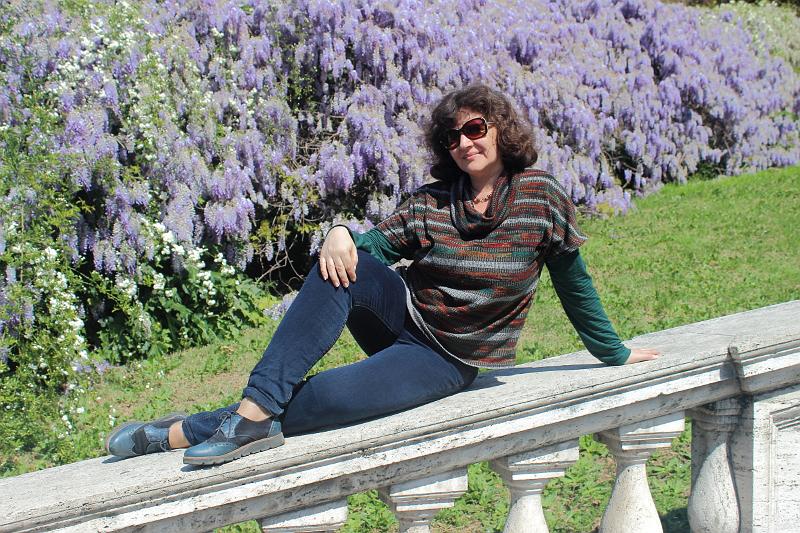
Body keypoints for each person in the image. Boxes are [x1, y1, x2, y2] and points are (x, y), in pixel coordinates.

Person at [106, 84, 659, 466]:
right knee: (341, 265)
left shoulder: (540, 197)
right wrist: (342, 232)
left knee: (322, 403)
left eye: (474, 128)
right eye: (453, 136)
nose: (465, 142)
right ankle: (253, 412)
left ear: (500, 130)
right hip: (403, 317)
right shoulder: (433, 201)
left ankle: (185, 429)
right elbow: (373, 246)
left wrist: (614, 353)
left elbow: (574, 282)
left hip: (446, 357)